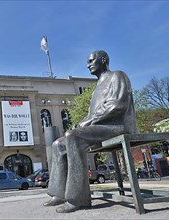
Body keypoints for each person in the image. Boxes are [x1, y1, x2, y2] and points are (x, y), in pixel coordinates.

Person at [43, 50, 137, 213]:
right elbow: (92, 114)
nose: (88, 65)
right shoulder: (96, 89)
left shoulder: (117, 76)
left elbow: (117, 106)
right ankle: (59, 193)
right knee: (58, 144)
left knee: (73, 137)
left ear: (104, 60)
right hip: (101, 127)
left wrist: (89, 121)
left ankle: (78, 198)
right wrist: (82, 122)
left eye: (91, 61)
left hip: (118, 126)